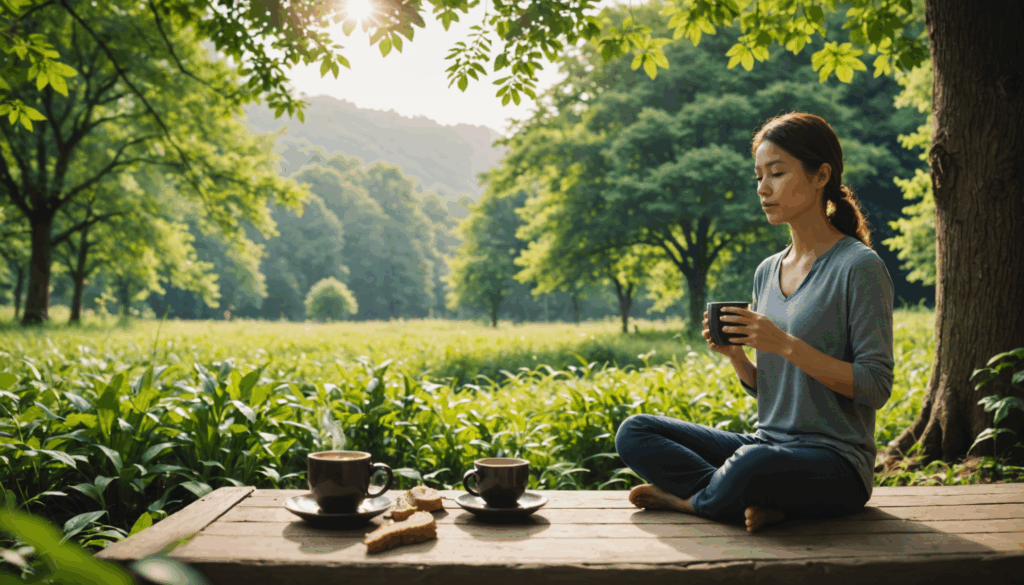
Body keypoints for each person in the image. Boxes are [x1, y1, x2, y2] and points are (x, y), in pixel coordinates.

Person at [614, 112, 895, 533]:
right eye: (758, 177)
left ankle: (695, 503)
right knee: (635, 432)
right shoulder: (768, 270)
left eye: (777, 174)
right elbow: (777, 390)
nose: (763, 189)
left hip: (834, 463)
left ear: (821, 176)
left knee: (753, 464)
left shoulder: (859, 266)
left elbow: (875, 387)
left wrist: (785, 344)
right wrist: (737, 357)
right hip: (768, 445)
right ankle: (756, 501)